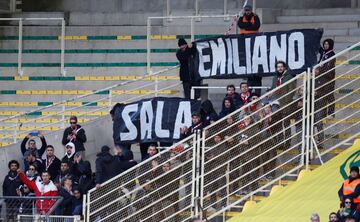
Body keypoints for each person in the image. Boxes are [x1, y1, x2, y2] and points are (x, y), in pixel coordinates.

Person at [271, 61, 296, 149]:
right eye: (278, 67)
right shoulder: (275, 78)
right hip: (276, 105)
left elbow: (292, 90)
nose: (280, 68)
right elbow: (273, 89)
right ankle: (281, 144)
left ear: (284, 67)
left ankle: (288, 144)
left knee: (286, 125)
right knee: (278, 125)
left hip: (286, 105)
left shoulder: (289, 77)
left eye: (281, 66)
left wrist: (285, 101)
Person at [318, 38, 336, 117]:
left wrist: (320, 69)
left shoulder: (332, 54)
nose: (325, 46)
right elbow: (318, 48)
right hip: (321, 77)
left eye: (327, 44)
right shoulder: (324, 52)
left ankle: (331, 112)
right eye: (324, 44)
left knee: (329, 95)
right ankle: (324, 113)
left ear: (330, 45)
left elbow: (329, 68)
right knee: (323, 95)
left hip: (329, 77)